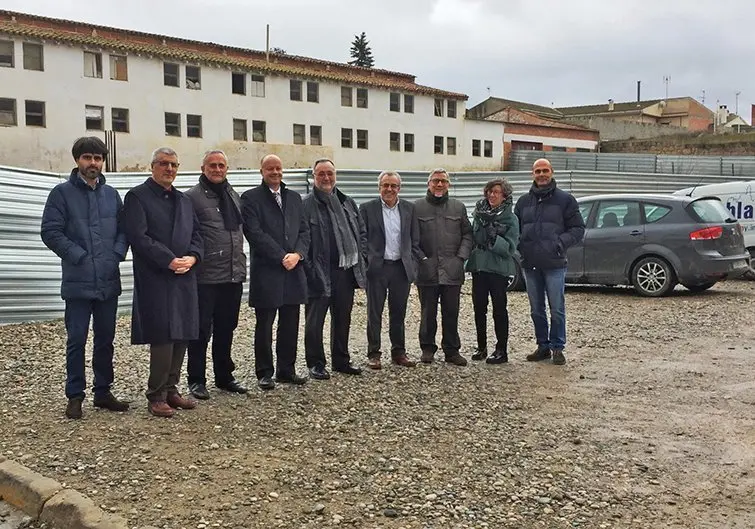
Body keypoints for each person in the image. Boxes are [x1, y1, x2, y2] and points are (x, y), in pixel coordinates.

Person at [41, 137, 130, 419]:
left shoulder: (111, 194)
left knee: (105, 340)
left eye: (98, 158)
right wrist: (78, 255)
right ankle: (75, 395)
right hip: (78, 282)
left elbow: (123, 231)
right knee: (76, 340)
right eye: (88, 157)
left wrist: (115, 255)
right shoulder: (61, 194)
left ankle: (103, 392)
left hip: (107, 280)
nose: (93, 163)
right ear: (77, 160)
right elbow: (51, 232)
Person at [121, 147, 203, 417]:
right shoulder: (137, 197)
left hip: (184, 275)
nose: (170, 169)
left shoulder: (184, 200)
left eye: (174, 165)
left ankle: (171, 389)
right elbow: (138, 237)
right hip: (156, 276)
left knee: (182, 333)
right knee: (163, 335)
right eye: (164, 164)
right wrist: (168, 260)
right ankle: (155, 394)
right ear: (152, 166)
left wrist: (192, 257)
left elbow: (196, 235)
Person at [241, 154, 309, 390]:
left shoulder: (294, 197)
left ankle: (286, 370)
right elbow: (254, 233)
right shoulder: (250, 198)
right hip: (268, 271)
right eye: (270, 168)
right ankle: (264, 372)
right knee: (265, 324)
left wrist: (298, 255)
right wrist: (281, 256)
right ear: (261, 171)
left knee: (290, 323)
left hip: (293, 269)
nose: (275, 172)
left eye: (278, 168)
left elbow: (304, 231)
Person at [184, 150, 247, 400]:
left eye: (222, 165)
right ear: (203, 168)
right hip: (206, 276)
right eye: (213, 165)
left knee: (226, 328)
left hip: (232, 275)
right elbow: (189, 235)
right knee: (200, 331)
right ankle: (196, 379)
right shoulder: (192, 198)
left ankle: (224, 376)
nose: (217, 169)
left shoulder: (233, 195)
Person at [515, 158, 585, 366]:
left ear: (552, 172)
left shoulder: (565, 200)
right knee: (536, 309)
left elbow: (578, 229)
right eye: (538, 171)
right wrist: (521, 247)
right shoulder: (523, 202)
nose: (541, 174)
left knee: (556, 308)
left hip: (554, 263)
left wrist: (559, 243)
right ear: (532, 174)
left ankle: (557, 347)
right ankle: (543, 346)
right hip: (530, 263)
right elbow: (515, 229)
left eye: (545, 170)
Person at [302, 159, 366, 380]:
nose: (326, 178)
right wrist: (309, 270)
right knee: (314, 322)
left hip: (345, 271)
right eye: (321, 174)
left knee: (343, 319)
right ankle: (316, 364)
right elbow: (302, 240)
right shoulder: (306, 204)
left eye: (329, 173)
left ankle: (341, 360)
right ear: (314, 176)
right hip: (318, 271)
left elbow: (360, 233)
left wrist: (361, 257)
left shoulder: (347, 202)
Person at [359, 171, 424, 370]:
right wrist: (367, 261)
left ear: (399, 188)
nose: (389, 189)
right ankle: (374, 353)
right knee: (374, 313)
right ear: (379, 187)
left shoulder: (408, 209)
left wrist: (413, 262)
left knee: (398, 313)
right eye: (385, 185)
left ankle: (398, 352)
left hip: (400, 268)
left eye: (393, 186)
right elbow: (362, 238)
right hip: (377, 268)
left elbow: (415, 239)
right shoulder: (367, 208)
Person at [414, 168, 474, 366]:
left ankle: (451, 350)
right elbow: (412, 239)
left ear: (448, 184)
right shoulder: (417, 207)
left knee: (451, 311)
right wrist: (422, 259)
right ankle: (427, 348)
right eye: (436, 181)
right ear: (428, 184)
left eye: (444, 181)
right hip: (427, 270)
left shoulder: (458, 207)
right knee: (427, 312)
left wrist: (460, 258)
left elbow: (467, 234)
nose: (440, 185)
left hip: (452, 269)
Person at [465, 178, 520, 364]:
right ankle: (481, 347)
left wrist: (495, 238)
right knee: (479, 308)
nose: (492, 195)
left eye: (496, 192)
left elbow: (511, 248)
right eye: (489, 191)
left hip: (498, 269)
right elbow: (473, 237)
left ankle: (501, 349)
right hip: (479, 267)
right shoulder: (479, 214)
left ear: (504, 196)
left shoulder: (511, 218)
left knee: (499, 310)